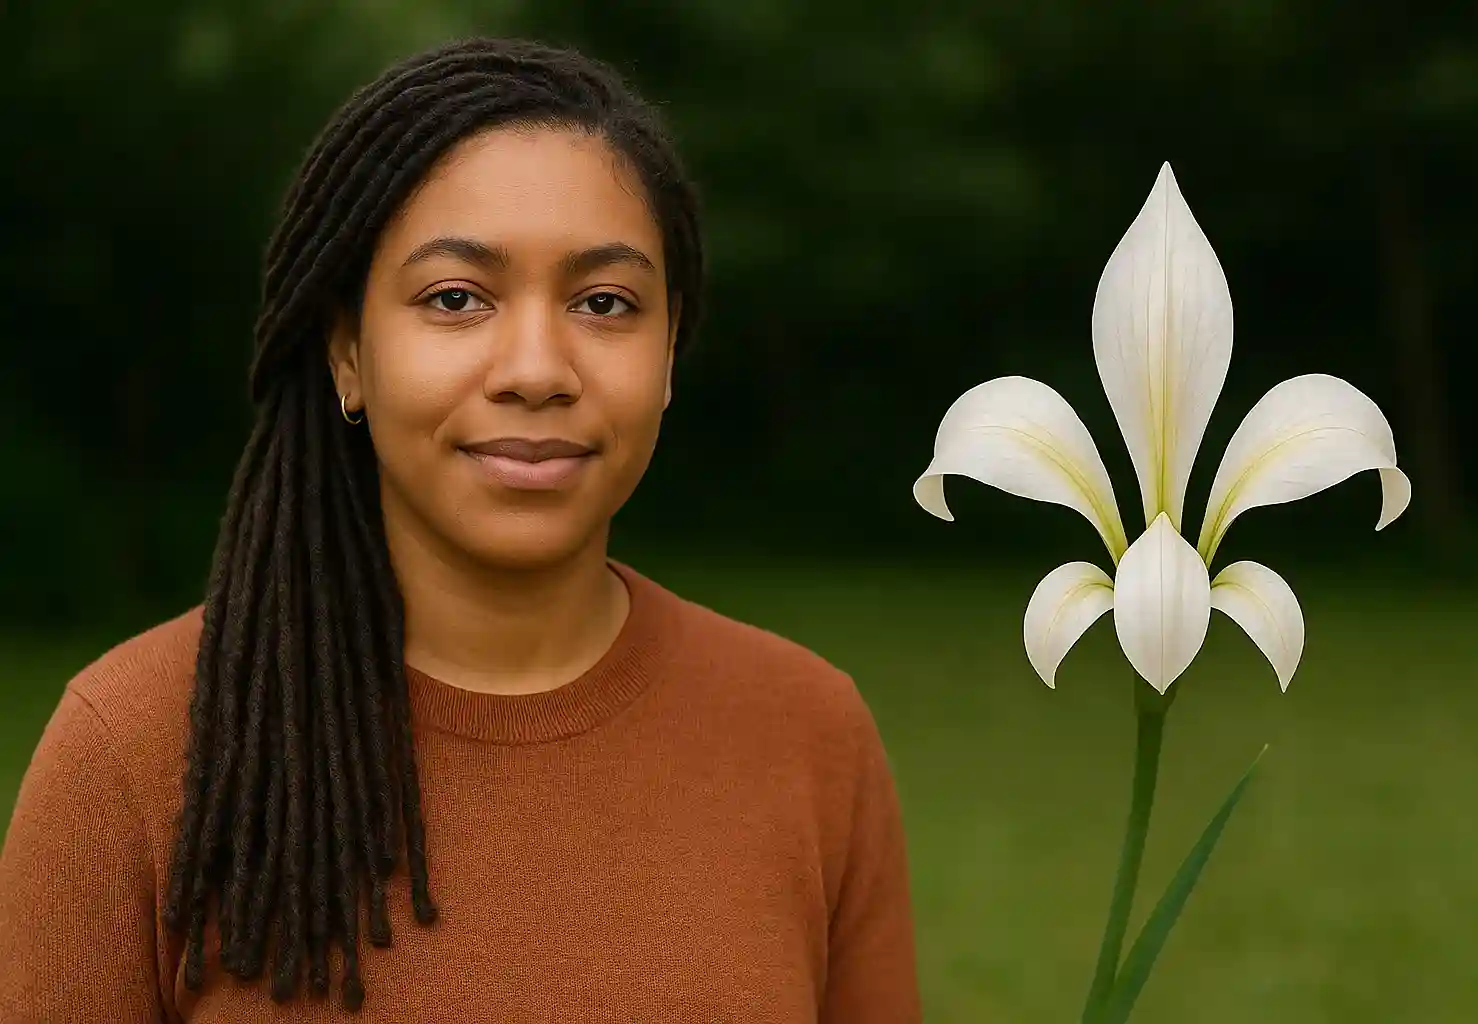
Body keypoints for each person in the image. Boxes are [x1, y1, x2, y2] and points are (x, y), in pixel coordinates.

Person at [0, 38, 921, 1022]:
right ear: (348, 351)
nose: (536, 367)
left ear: (667, 352)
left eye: (605, 302)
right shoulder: (132, 754)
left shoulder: (808, 736)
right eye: (456, 298)